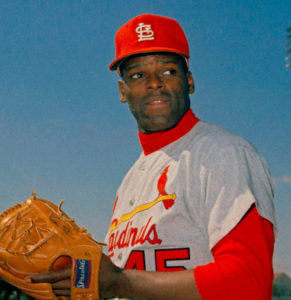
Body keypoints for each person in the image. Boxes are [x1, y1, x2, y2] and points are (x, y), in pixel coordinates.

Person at [31, 14, 277, 300]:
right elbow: (118, 278)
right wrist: (78, 278)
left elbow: (249, 282)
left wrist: (118, 283)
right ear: (123, 91)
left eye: (168, 71)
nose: (154, 83)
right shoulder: (130, 182)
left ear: (190, 81)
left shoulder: (224, 154)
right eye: (138, 75)